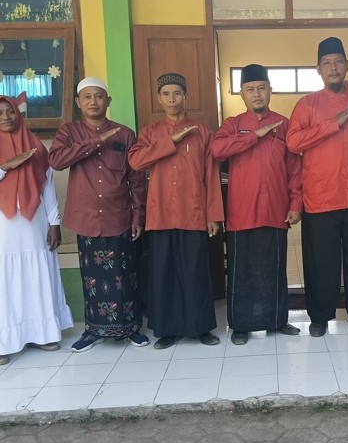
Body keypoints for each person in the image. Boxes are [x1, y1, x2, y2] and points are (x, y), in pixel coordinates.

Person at [0, 95, 74, 365]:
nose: (5, 117)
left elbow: (47, 186)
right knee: (1, 281)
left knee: (34, 277)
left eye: (10, 111)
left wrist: (54, 222)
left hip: (33, 224)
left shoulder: (34, 145)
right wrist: (3, 166)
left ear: (18, 113)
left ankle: (41, 333)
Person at [286, 36, 348, 337]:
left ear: (346, 65)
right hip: (321, 197)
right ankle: (319, 317)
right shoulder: (307, 104)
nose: (333, 68)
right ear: (318, 69)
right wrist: (333, 124)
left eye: (338, 62)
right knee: (321, 263)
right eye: (326, 63)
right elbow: (293, 142)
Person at [48, 77, 149, 352]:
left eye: (99, 96)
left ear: (108, 101)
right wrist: (96, 140)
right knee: (92, 277)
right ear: (78, 102)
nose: (94, 102)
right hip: (87, 217)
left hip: (119, 215)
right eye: (87, 97)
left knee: (124, 275)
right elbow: (56, 161)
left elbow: (136, 179)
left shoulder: (125, 134)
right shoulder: (69, 132)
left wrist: (138, 215)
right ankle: (93, 330)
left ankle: (131, 328)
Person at [127, 72, 224, 347]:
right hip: (160, 214)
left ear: (186, 97)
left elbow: (211, 175)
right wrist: (170, 141)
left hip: (193, 212)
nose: (172, 99)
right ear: (159, 99)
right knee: (164, 273)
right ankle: (168, 329)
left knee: (195, 272)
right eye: (166, 94)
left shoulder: (202, 131)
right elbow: (136, 161)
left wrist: (214, 215)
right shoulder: (150, 132)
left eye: (177, 93)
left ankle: (200, 328)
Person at [211, 64, 303, 345]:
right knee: (242, 271)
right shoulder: (232, 124)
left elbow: (294, 169)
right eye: (250, 89)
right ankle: (241, 325)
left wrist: (296, 203)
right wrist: (254, 136)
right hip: (242, 211)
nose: (257, 94)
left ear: (270, 91)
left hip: (275, 209)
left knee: (274, 268)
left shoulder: (284, 124)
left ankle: (277, 321)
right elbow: (217, 149)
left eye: (261, 88)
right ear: (242, 94)